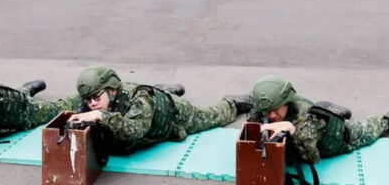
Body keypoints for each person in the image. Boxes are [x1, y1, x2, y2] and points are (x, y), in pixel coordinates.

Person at [67, 66, 252, 154]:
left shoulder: (140, 99)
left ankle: (233, 103)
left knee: (214, 116)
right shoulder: (95, 99)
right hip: (150, 107)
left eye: (96, 97)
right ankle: (163, 90)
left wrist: (100, 115)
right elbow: (65, 107)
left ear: (112, 90)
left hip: (174, 114)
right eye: (88, 99)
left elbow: (135, 130)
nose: (92, 103)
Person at [247, 75, 389, 164]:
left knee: (366, 129)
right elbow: (251, 126)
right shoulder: (266, 107)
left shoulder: (305, 119)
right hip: (317, 121)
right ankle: (327, 111)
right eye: (267, 111)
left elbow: (312, 158)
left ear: (287, 101)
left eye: (276, 110)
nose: (271, 116)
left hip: (338, 138)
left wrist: (291, 129)